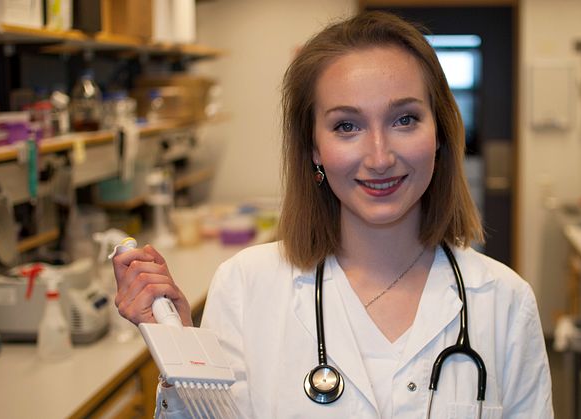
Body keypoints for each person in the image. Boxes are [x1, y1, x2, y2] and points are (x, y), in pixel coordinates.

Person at [113, 11, 553, 419]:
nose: (379, 157)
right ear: (314, 149)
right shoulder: (246, 287)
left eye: (404, 119)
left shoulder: (505, 303)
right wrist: (184, 358)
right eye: (347, 126)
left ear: (439, 133)